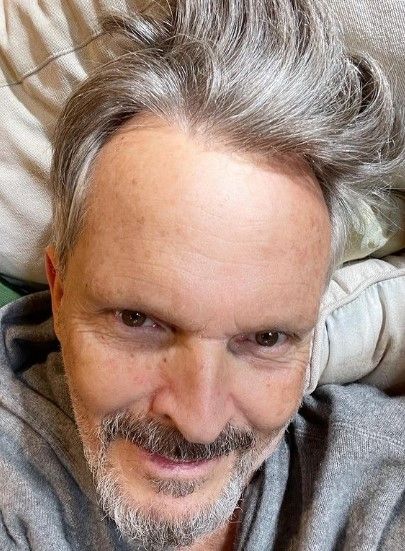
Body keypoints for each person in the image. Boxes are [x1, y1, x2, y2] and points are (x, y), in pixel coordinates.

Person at [0, 1, 404, 550]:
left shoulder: (380, 486)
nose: (199, 422)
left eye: (267, 338)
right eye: (138, 319)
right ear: (59, 291)